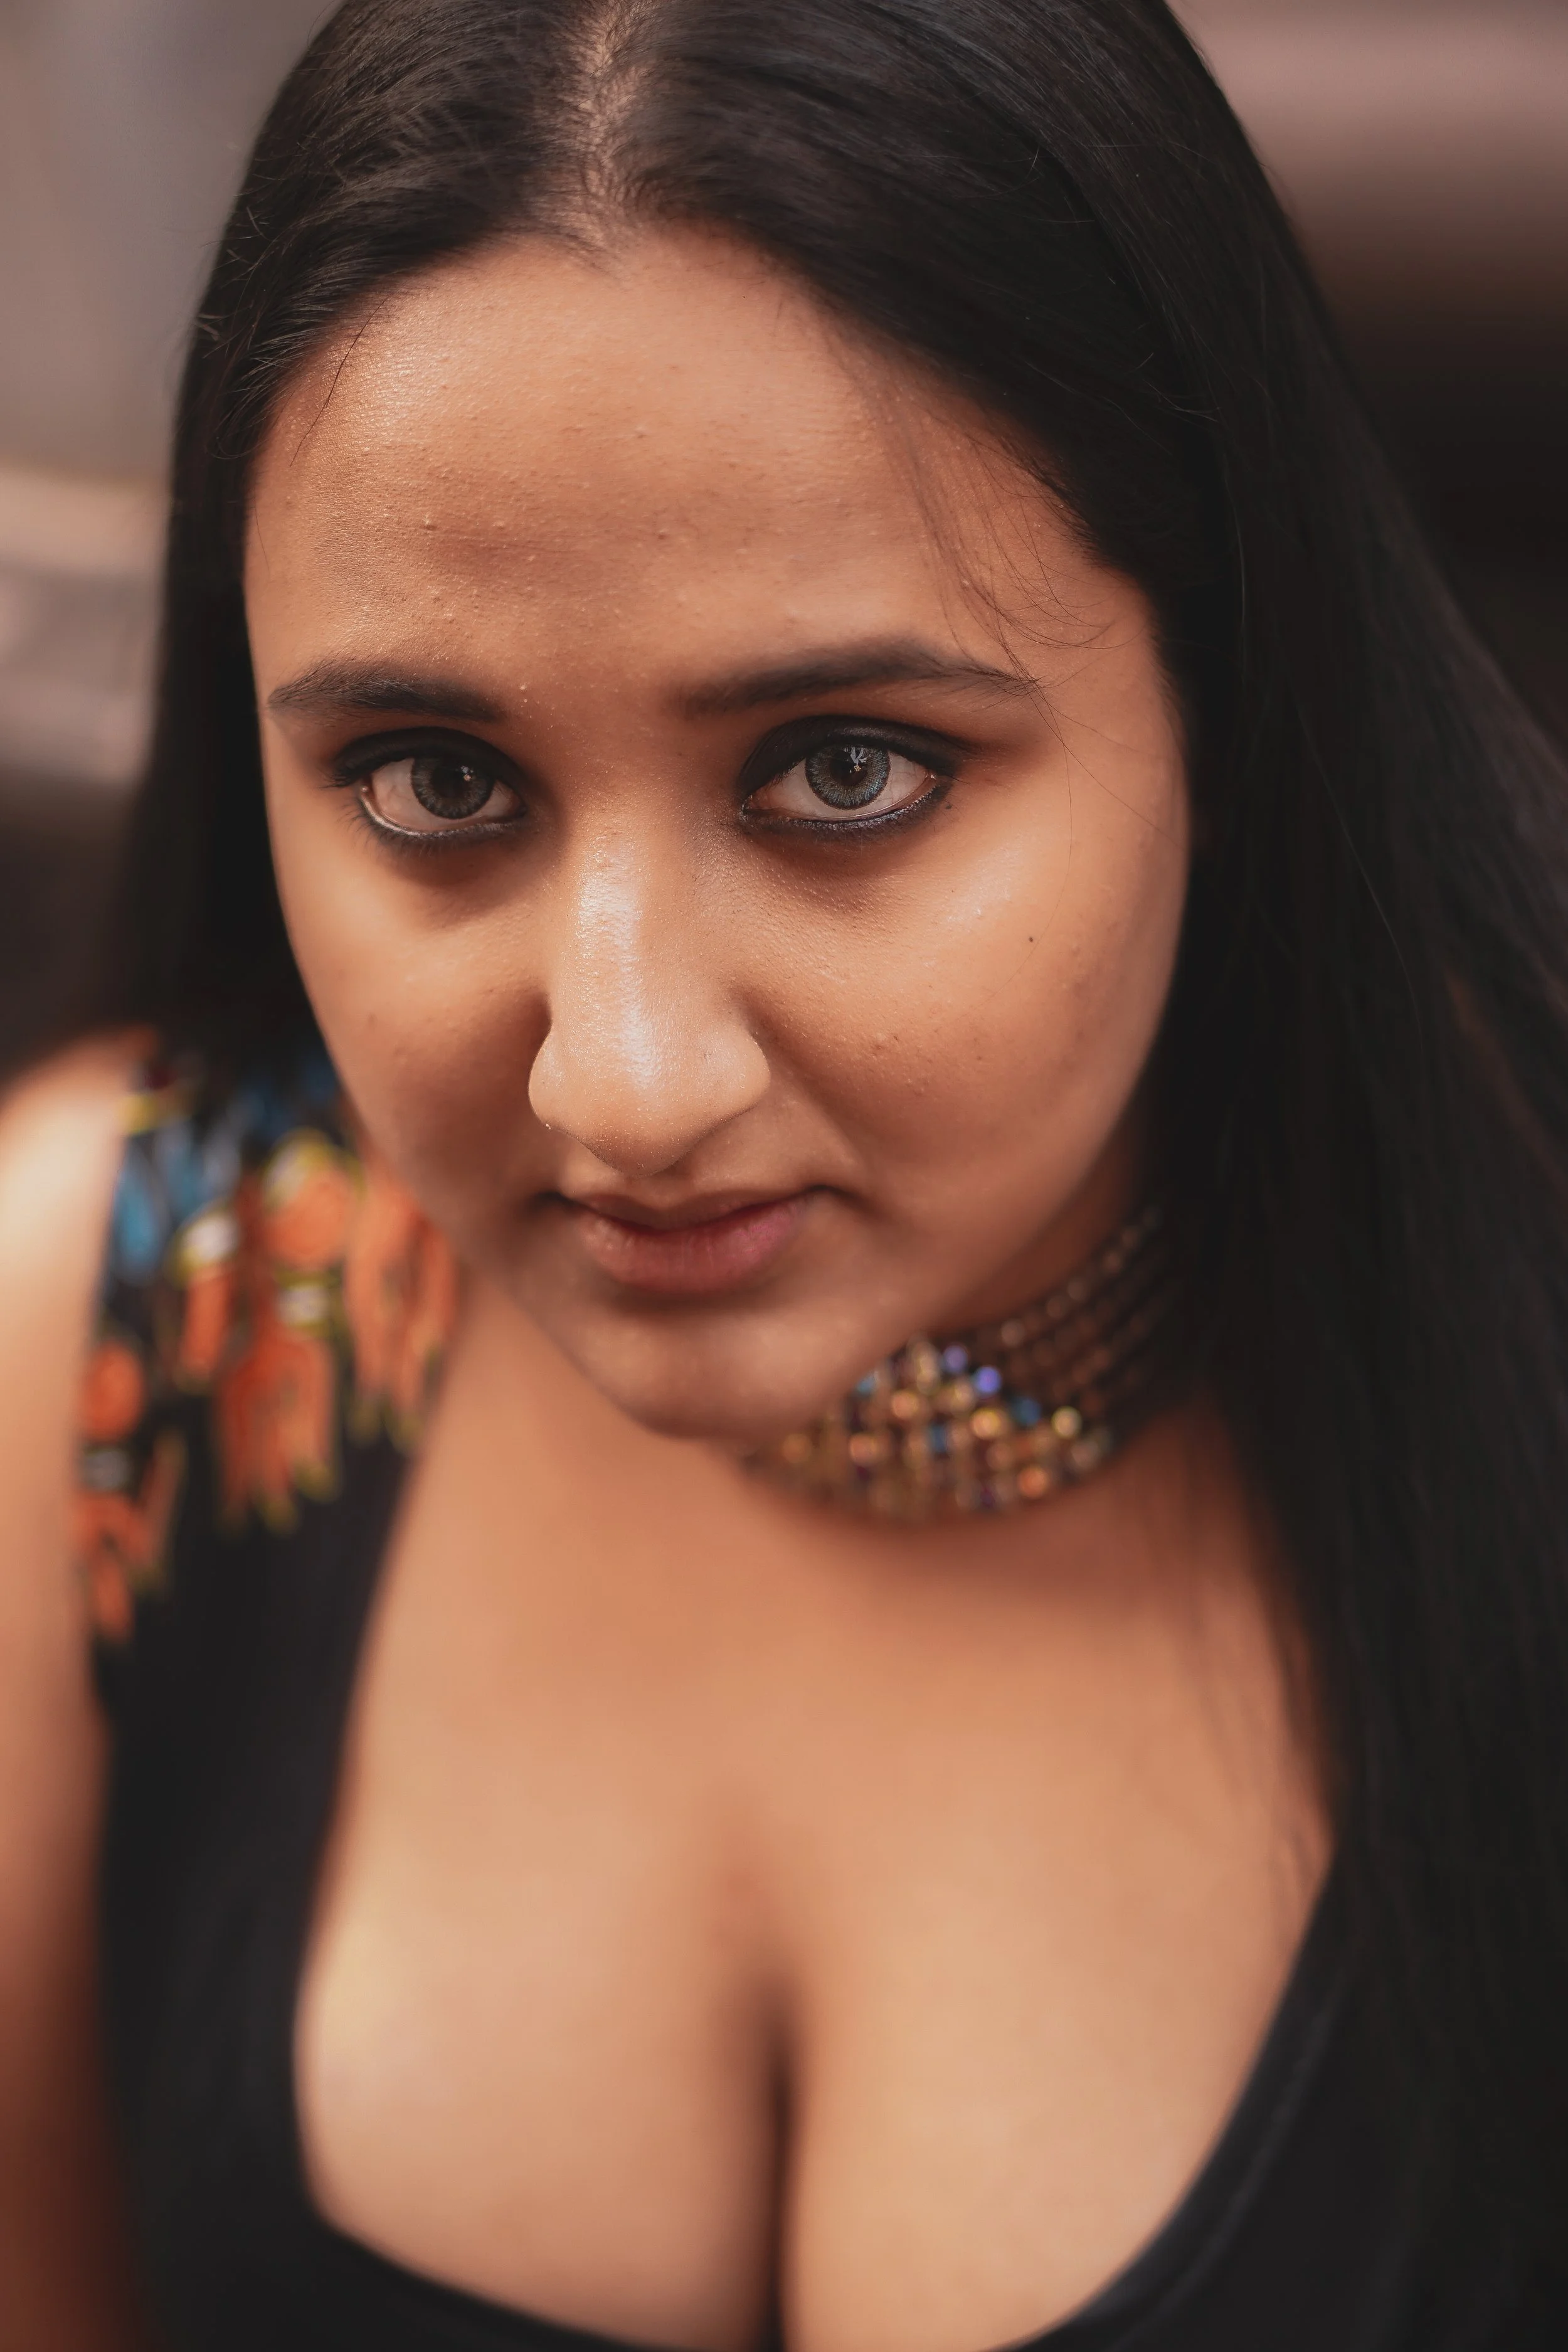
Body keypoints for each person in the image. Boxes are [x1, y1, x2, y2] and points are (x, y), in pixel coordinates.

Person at [3, 0, 1566, 2344]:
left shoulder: (1515, 1347)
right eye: (436, 783)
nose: (623, 1083)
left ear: (1234, 705)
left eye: (844, 774)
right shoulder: (112, 1320)